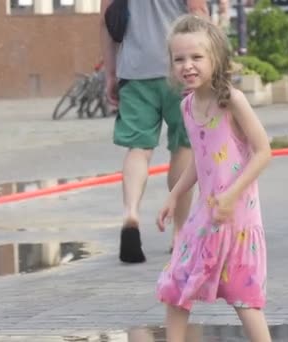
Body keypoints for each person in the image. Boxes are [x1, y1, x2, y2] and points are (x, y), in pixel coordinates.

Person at [156, 15, 272, 342]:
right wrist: (174, 195)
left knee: (244, 298)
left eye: (196, 57)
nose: (187, 66)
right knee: (176, 286)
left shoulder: (231, 100)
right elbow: (200, 158)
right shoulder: (187, 106)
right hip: (203, 218)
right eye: (179, 59)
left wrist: (232, 195)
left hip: (236, 220)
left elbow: (263, 151)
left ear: (216, 58)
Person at [100, 0, 209, 263]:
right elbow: (198, 14)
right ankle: (180, 233)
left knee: (138, 147)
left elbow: (107, 21)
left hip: (134, 70)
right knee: (183, 146)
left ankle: (131, 215)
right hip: (181, 69)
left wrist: (111, 73)